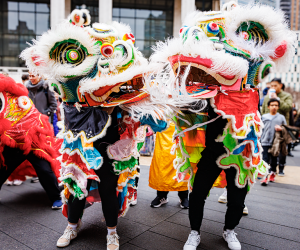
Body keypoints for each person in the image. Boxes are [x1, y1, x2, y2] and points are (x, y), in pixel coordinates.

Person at [0, 74, 63, 210]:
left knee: (45, 169)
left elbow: (39, 111)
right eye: (30, 75)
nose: (32, 77)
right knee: (2, 169)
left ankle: (56, 198)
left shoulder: (21, 97)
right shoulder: (7, 97)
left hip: (33, 140)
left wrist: (44, 116)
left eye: (34, 75)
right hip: (14, 142)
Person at [149, 123, 189, 209]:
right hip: (165, 125)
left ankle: (184, 196)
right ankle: (161, 195)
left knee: (182, 161)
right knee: (163, 161)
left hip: (183, 123)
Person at [260, 98, 287, 185]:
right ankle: (265, 177)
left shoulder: (281, 117)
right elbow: (260, 129)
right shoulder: (264, 117)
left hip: (276, 143)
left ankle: (272, 173)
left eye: (276, 105)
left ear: (278, 107)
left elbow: (286, 129)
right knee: (265, 159)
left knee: (274, 160)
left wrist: (281, 128)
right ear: (268, 107)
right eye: (272, 105)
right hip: (264, 141)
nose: (274, 107)